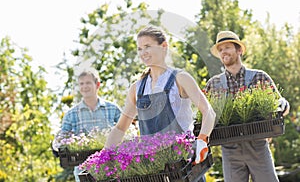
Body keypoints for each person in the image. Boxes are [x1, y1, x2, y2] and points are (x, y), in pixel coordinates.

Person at [104, 26, 216, 181]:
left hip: (184, 167)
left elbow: (208, 112)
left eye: (148, 46)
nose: (143, 53)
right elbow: (120, 128)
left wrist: (202, 139)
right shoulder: (137, 88)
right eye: (140, 49)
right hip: (155, 170)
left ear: (164, 47)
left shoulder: (180, 78)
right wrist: (104, 156)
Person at [205, 30, 290, 182]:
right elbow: (206, 115)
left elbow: (281, 103)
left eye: (227, 47)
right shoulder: (214, 84)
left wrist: (282, 104)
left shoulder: (259, 77)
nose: (223, 52)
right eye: (220, 49)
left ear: (239, 50)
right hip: (230, 151)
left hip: (258, 147)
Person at [53, 68, 121, 182]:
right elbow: (62, 137)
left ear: (97, 85)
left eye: (88, 83)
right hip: (83, 171)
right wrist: (57, 145)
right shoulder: (71, 114)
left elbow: (126, 132)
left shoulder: (112, 109)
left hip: (111, 166)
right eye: (81, 84)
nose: (85, 86)